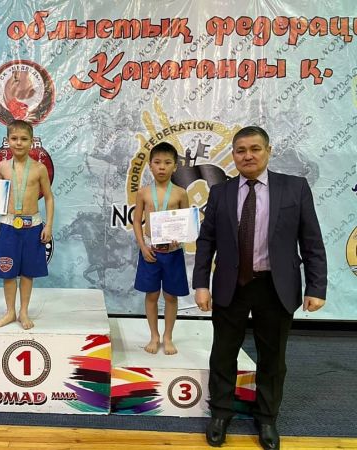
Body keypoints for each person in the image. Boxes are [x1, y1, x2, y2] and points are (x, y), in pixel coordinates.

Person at [192, 126, 327, 450]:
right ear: (233, 155)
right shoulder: (220, 192)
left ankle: (266, 418)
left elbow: (311, 241)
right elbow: (206, 241)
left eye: (255, 149)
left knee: (273, 358)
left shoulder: (294, 188)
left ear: (268, 151)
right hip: (231, 286)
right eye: (241, 150)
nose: (248, 156)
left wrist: (317, 287)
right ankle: (220, 414)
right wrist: (201, 284)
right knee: (223, 354)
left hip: (275, 287)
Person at [0, 119, 54, 330]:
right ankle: (10, 312)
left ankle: (24, 312)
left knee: (28, 272)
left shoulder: (39, 168)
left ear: (32, 141)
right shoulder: (2, 166)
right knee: (7, 271)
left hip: (32, 226)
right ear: (7, 140)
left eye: (24, 139)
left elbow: (49, 198)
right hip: (8, 225)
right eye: (14, 138)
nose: (19, 143)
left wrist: (48, 225)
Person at [132, 142, 190, 355]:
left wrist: (179, 239)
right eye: (157, 162)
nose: (162, 167)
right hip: (150, 252)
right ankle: (154, 336)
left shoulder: (181, 193)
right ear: (150, 165)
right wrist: (142, 246)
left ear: (175, 166)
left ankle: (168, 336)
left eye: (167, 163)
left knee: (171, 296)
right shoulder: (143, 193)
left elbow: (186, 222)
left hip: (173, 254)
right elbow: (136, 221)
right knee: (152, 295)